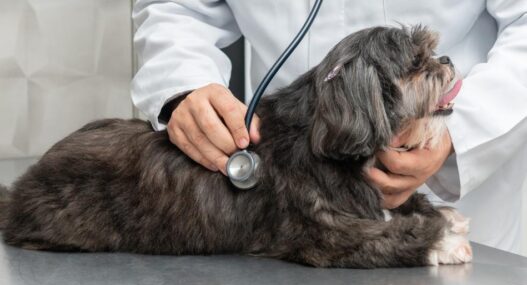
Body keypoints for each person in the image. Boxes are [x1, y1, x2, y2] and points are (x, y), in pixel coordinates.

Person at [131, 0, 527, 254]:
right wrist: (185, 83)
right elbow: (179, 7)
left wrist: (462, 130)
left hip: (468, 192)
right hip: (289, 187)